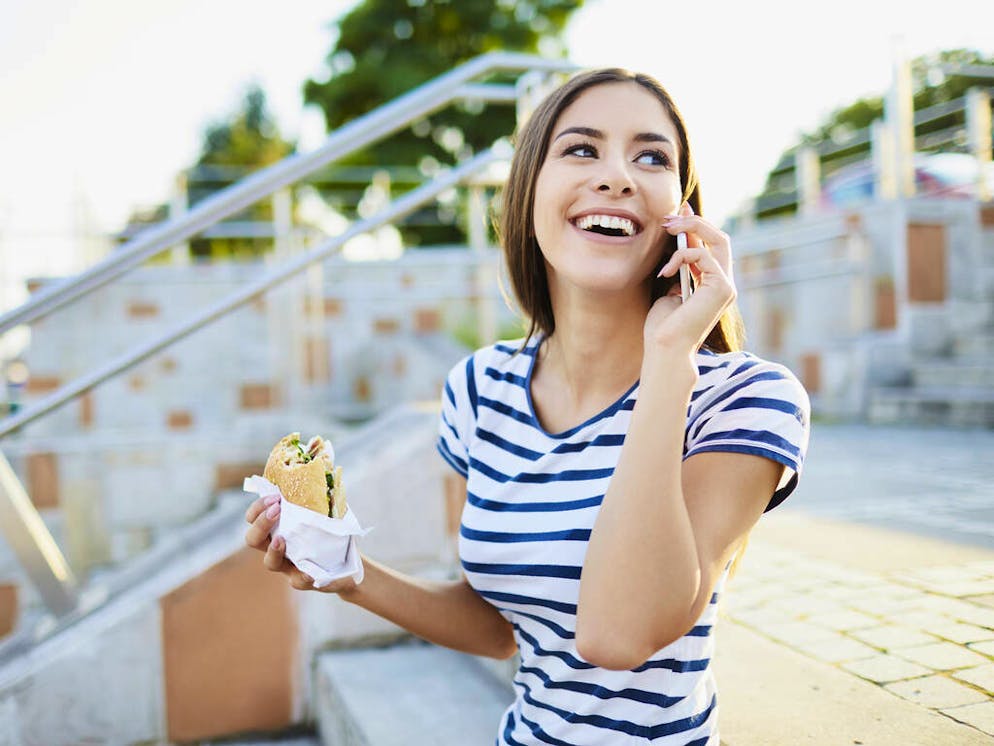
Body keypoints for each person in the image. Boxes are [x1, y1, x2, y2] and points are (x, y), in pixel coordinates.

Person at [245, 68, 810, 745]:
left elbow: (616, 635)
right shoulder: (478, 392)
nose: (617, 176)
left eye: (651, 156)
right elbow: (495, 627)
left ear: (682, 211)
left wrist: (668, 362)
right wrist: (348, 574)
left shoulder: (745, 400)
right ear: (528, 191)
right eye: (581, 148)